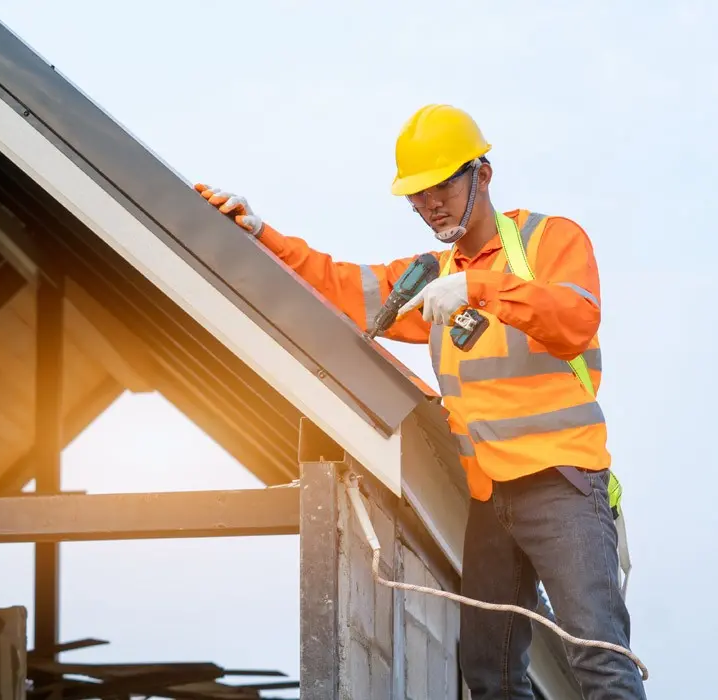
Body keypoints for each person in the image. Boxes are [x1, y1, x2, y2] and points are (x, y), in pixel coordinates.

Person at [194, 104, 645, 700]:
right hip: (491, 498)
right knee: (489, 676)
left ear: (481, 175)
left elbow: (575, 320)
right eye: (417, 194)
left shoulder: (548, 240)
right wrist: (261, 234)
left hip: (563, 482)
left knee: (600, 664)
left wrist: (480, 287)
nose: (429, 204)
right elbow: (342, 287)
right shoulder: (431, 277)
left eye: (441, 187)